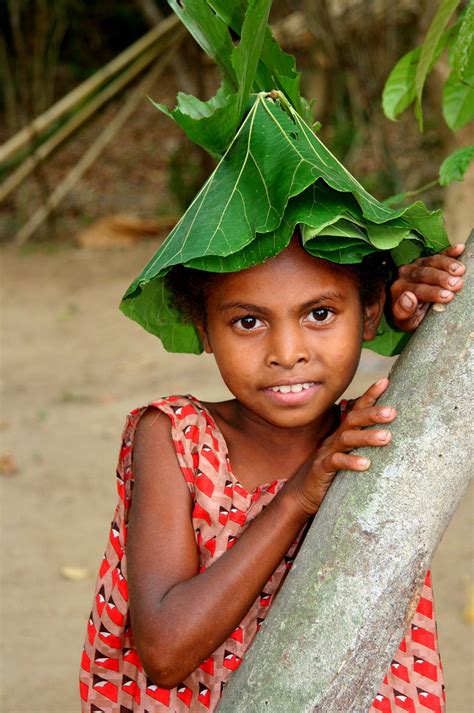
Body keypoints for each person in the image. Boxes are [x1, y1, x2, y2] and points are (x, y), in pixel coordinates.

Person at [79, 236, 464, 713]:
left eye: (320, 314)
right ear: (204, 328)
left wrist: (426, 316)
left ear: (368, 313)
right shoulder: (176, 437)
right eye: (248, 321)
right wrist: (298, 496)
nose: (287, 352)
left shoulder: (376, 429)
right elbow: (165, 652)